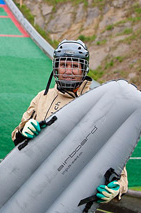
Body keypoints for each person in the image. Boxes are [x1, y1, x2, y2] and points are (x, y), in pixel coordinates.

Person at [11, 39, 128, 204]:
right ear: (56, 66)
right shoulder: (42, 98)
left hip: (75, 192)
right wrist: (23, 131)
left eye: (74, 66)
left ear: (83, 69)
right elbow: (17, 139)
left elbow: (114, 155)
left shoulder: (100, 103)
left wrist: (118, 186)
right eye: (64, 64)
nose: (69, 71)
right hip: (36, 187)